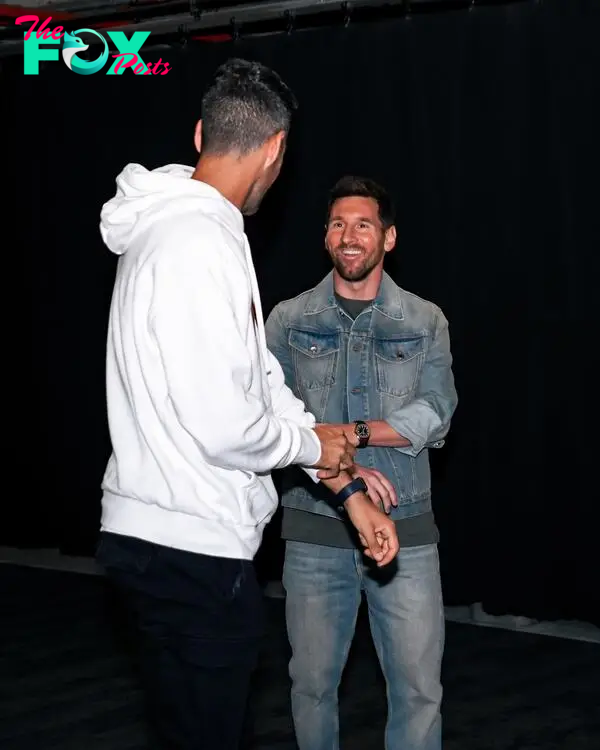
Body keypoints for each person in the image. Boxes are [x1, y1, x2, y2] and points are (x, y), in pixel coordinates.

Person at [94, 60, 399, 750]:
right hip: (191, 547)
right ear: (275, 150)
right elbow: (225, 422)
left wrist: (346, 489)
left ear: (202, 132)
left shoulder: (174, 229)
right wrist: (312, 447)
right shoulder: (201, 242)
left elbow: (258, 382)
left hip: (157, 540)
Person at [265, 175, 459, 750]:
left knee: (419, 692)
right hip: (314, 531)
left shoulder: (425, 321)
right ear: (325, 237)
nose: (350, 236)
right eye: (338, 224)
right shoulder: (288, 320)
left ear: (388, 238)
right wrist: (345, 464)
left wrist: (348, 435)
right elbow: (276, 420)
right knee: (312, 688)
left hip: (409, 531)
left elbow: (437, 413)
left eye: (363, 225)